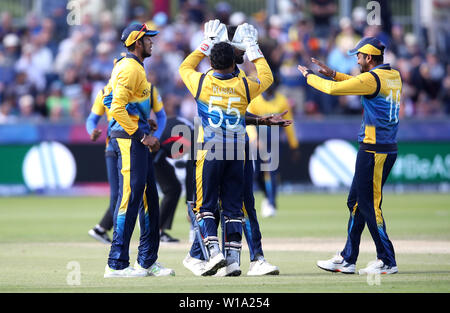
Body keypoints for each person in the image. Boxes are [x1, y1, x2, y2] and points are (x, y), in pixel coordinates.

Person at [183, 24, 289, 276]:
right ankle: (220, 257)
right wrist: (254, 48)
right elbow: (266, 78)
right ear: (232, 56)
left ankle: (221, 256)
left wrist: (205, 43)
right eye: (239, 48)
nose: (242, 52)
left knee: (220, 206)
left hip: (213, 149)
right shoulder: (243, 84)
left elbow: (185, 67)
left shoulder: (202, 81)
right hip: (231, 150)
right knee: (229, 207)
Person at [298, 37, 401, 275]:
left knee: (369, 206)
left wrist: (309, 77)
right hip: (378, 148)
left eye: (359, 56)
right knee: (355, 203)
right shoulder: (392, 75)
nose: (356, 59)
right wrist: (333, 73)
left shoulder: (373, 78)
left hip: (376, 149)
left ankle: (387, 260)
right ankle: (348, 258)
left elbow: (336, 90)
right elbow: (358, 83)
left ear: (369, 58)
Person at [104, 23, 173, 278]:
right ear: (137, 43)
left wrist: (144, 121)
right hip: (130, 140)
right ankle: (116, 264)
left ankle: (146, 262)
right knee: (130, 198)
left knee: (149, 201)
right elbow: (114, 107)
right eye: (148, 39)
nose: (152, 42)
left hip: (134, 137)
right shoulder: (129, 68)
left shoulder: (133, 66)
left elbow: (111, 100)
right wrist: (142, 134)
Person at [247, 78, 300, 218]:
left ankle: (271, 203)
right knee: (257, 174)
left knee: (272, 172)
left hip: (273, 140)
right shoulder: (255, 100)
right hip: (257, 141)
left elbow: (289, 124)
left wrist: (294, 145)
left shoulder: (282, 100)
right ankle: (266, 196)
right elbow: (248, 121)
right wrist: (255, 139)